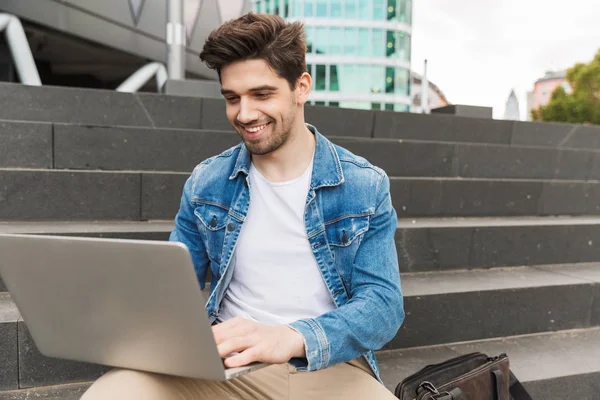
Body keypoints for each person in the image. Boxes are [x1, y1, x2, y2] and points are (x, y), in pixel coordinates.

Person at [82, 12, 404, 399]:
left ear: (301, 87)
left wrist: (291, 337)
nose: (245, 114)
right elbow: (171, 287)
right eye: (232, 98)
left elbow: (383, 306)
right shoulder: (207, 182)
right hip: (227, 364)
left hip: (324, 363)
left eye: (262, 95)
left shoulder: (364, 185)